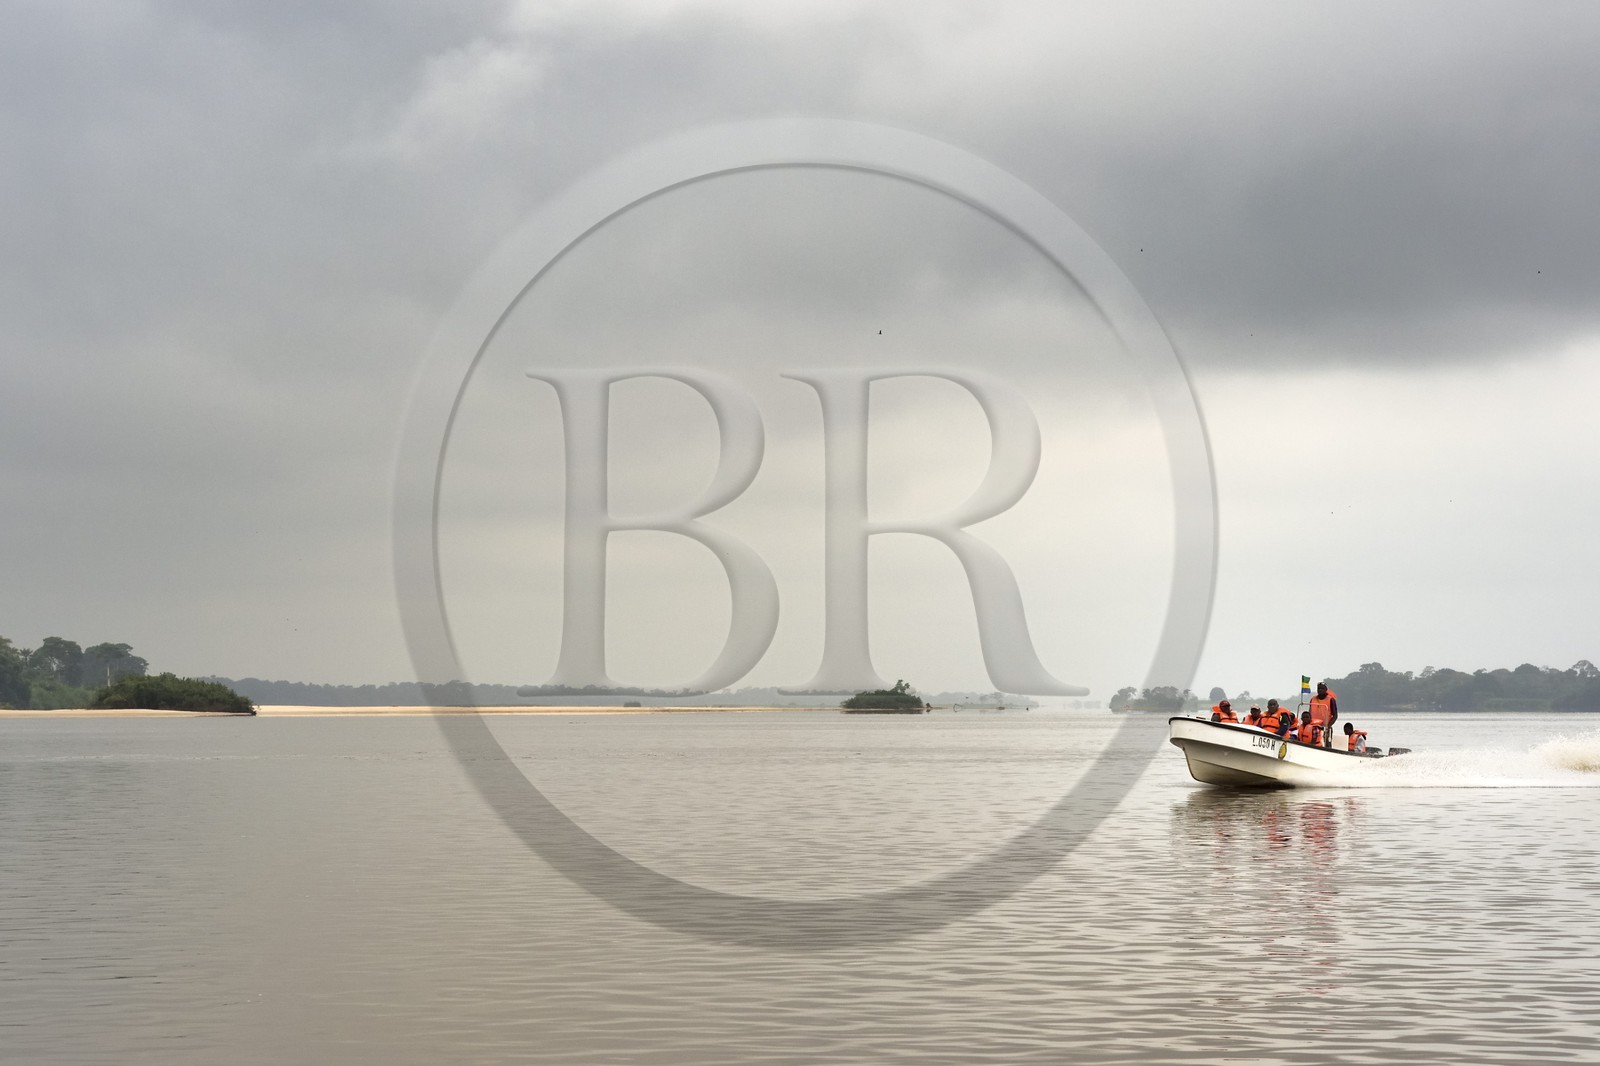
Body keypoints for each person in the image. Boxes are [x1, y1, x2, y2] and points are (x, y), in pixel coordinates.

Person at [1309, 682, 1339, 748]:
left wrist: (1328, 726)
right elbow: (1309, 713)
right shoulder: (1312, 699)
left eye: (1322, 688)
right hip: (1313, 726)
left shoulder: (1331, 700)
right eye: (1318, 688)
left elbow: (1335, 716)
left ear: (1326, 689)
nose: (1320, 690)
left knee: (1327, 743)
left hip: (1325, 726)